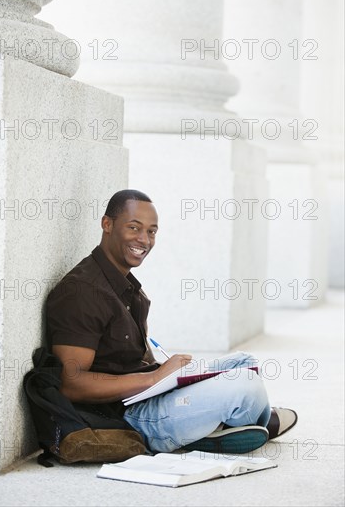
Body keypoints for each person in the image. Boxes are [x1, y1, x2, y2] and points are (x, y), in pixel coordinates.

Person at [46, 189, 297, 454]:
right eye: (134, 228)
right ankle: (223, 425)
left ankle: (221, 424)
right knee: (246, 387)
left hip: (147, 395)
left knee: (244, 363)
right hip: (131, 417)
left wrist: (170, 375)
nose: (144, 240)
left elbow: (135, 360)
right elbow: (71, 384)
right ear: (107, 224)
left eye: (152, 231)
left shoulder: (126, 286)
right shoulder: (81, 291)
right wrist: (155, 377)